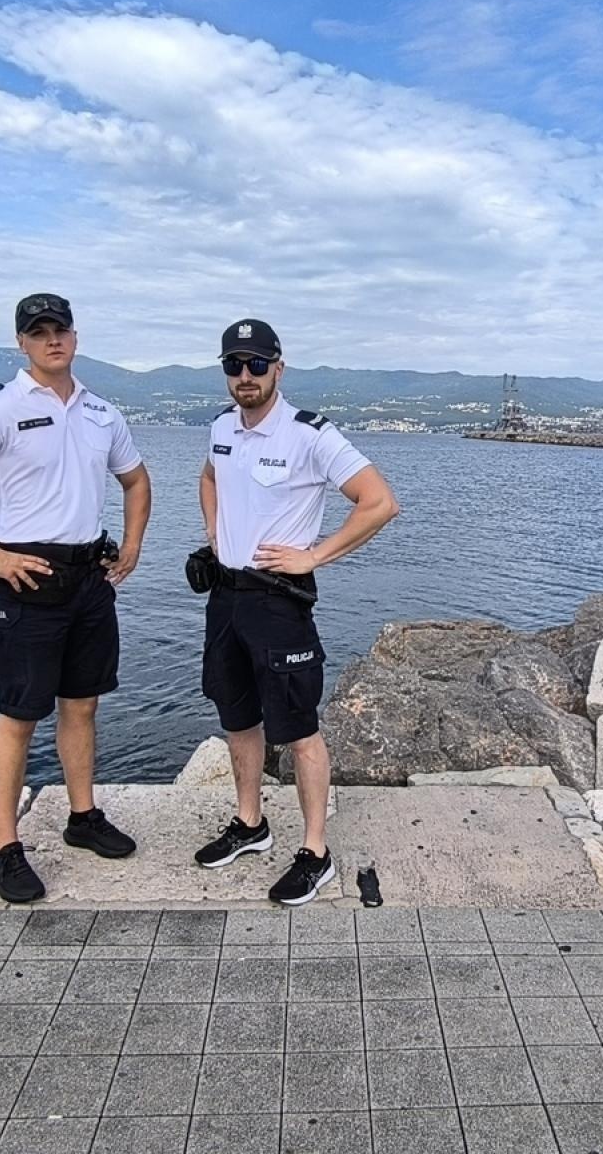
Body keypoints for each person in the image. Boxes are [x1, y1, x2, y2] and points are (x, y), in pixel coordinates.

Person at [0, 292, 152, 903]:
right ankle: (3, 848)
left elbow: (136, 477)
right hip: (25, 580)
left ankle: (81, 817)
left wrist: (131, 545)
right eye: (38, 331)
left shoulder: (102, 412)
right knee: (19, 716)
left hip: (88, 581)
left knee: (82, 705)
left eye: (61, 329)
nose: (52, 340)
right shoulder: (0, 409)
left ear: (76, 336)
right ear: (21, 342)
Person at [193, 318, 399, 905]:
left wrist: (314, 554)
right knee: (237, 717)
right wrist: (215, 530)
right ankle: (250, 825)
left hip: (280, 603)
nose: (245, 376)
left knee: (300, 730)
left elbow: (379, 501)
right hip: (226, 598)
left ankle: (315, 852)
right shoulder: (220, 428)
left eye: (257, 364)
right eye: (234, 365)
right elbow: (209, 477)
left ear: (279, 368)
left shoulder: (309, 436)